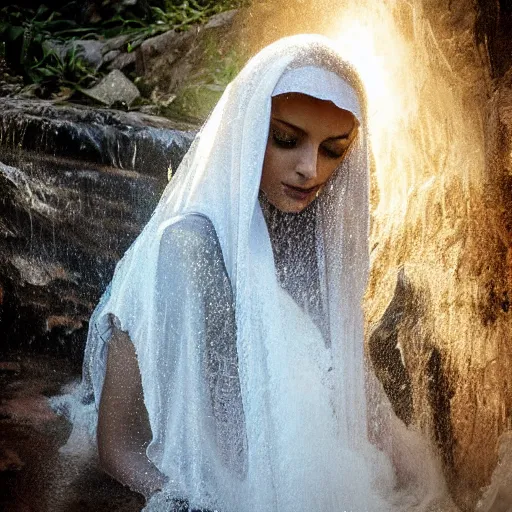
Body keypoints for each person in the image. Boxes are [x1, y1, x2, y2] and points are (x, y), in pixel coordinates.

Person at [73, 34, 451, 512]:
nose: (310, 170)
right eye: (286, 140)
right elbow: (119, 447)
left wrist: (434, 488)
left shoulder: (309, 239)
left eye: (333, 150)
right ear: (247, 130)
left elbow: (357, 397)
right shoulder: (185, 249)